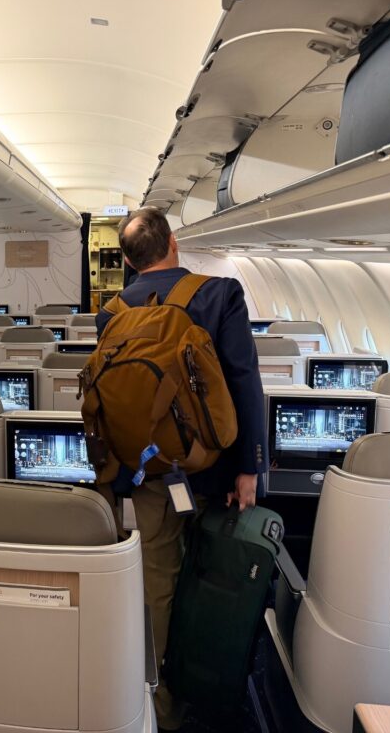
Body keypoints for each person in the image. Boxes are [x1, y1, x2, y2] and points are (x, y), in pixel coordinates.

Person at [95, 207, 266, 731]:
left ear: (127, 260)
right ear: (173, 242)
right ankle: (207, 684)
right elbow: (243, 381)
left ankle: (156, 697)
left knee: (158, 581)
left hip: (148, 473)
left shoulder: (111, 311)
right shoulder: (219, 295)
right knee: (213, 574)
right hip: (213, 468)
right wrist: (250, 467)